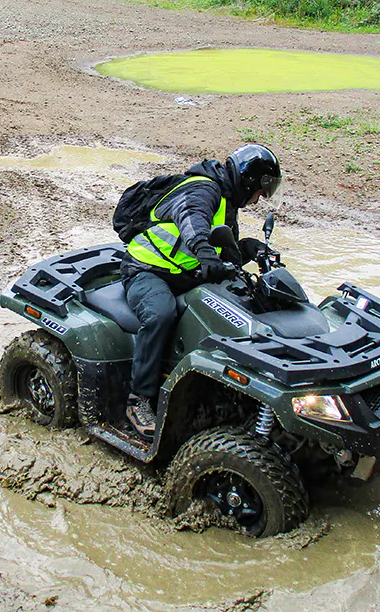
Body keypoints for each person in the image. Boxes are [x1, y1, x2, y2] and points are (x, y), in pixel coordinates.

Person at [119, 144, 282, 440]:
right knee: (160, 314)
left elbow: (226, 250)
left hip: (184, 274)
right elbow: (192, 221)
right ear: (249, 179)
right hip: (146, 270)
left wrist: (252, 249)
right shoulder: (203, 189)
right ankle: (138, 400)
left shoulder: (227, 201)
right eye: (262, 189)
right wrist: (206, 255)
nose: (260, 198)